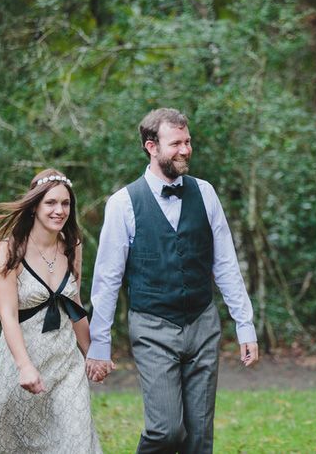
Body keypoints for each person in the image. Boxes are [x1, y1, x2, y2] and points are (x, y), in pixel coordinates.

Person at [86, 108, 259, 453]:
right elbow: (107, 280)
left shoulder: (205, 193)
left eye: (188, 141)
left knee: (199, 438)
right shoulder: (123, 203)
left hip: (202, 324)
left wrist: (245, 325)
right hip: (152, 327)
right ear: (152, 147)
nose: (185, 150)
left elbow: (225, 264)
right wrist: (99, 345)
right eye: (175, 143)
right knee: (166, 431)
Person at [0, 168, 103, 453]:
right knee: (9, 442)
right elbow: (7, 315)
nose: (60, 210)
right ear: (34, 205)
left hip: (66, 363)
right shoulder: (9, 251)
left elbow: (75, 304)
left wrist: (94, 353)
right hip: (22, 359)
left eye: (66, 203)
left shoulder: (73, 247)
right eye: (51, 203)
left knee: (76, 440)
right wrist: (25, 366)